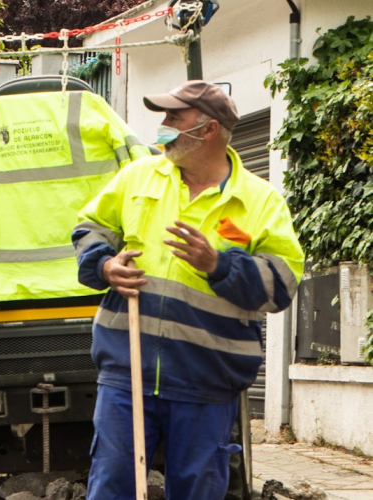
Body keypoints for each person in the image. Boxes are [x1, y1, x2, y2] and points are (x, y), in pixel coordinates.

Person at [71, 80, 304, 500]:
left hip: (206, 382)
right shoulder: (139, 176)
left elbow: (281, 286)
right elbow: (89, 228)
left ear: (209, 129)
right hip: (127, 373)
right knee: (112, 485)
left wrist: (218, 265)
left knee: (198, 489)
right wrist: (104, 265)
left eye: (174, 118)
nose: (162, 126)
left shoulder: (260, 201)